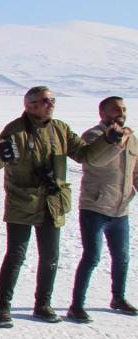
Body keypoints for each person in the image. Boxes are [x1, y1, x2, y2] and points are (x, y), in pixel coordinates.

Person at [0, 86, 125, 326]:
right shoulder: (15, 130)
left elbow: (84, 155)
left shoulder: (60, 129)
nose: (51, 104)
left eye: (52, 100)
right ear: (30, 106)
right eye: (45, 101)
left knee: (50, 257)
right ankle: (2, 308)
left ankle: (42, 305)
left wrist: (108, 141)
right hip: (23, 202)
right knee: (16, 256)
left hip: (53, 201)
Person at [68, 96, 137, 322]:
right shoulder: (93, 136)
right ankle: (76, 305)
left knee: (122, 257)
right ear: (102, 113)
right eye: (115, 109)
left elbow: (135, 171)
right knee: (92, 256)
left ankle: (118, 297)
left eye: (123, 109)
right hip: (95, 206)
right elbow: (96, 161)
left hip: (120, 208)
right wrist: (117, 141)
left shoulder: (131, 139)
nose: (121, 113)